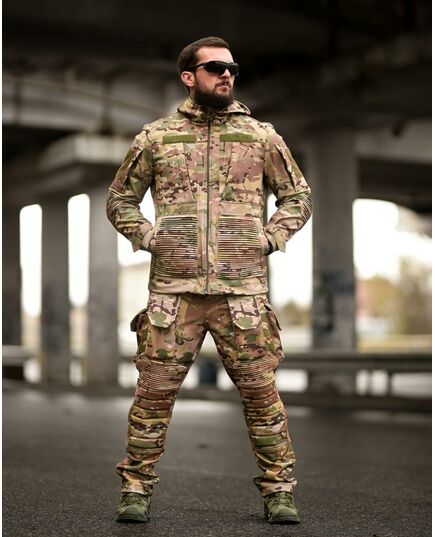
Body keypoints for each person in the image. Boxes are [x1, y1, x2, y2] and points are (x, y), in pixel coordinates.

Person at [106, 36, 312, 525]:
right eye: (215, 67)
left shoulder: (261, 137)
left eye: (232, 68)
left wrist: (269, 238)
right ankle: (135, 489)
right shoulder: (156, 138)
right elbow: (119, 200)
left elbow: (298, 198)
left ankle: (279, 493)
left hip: (243, 297)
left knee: (262, 399)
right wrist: (148, 236)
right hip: (173, 297)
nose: (226, 75)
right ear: (188, 76)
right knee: (152, 398)